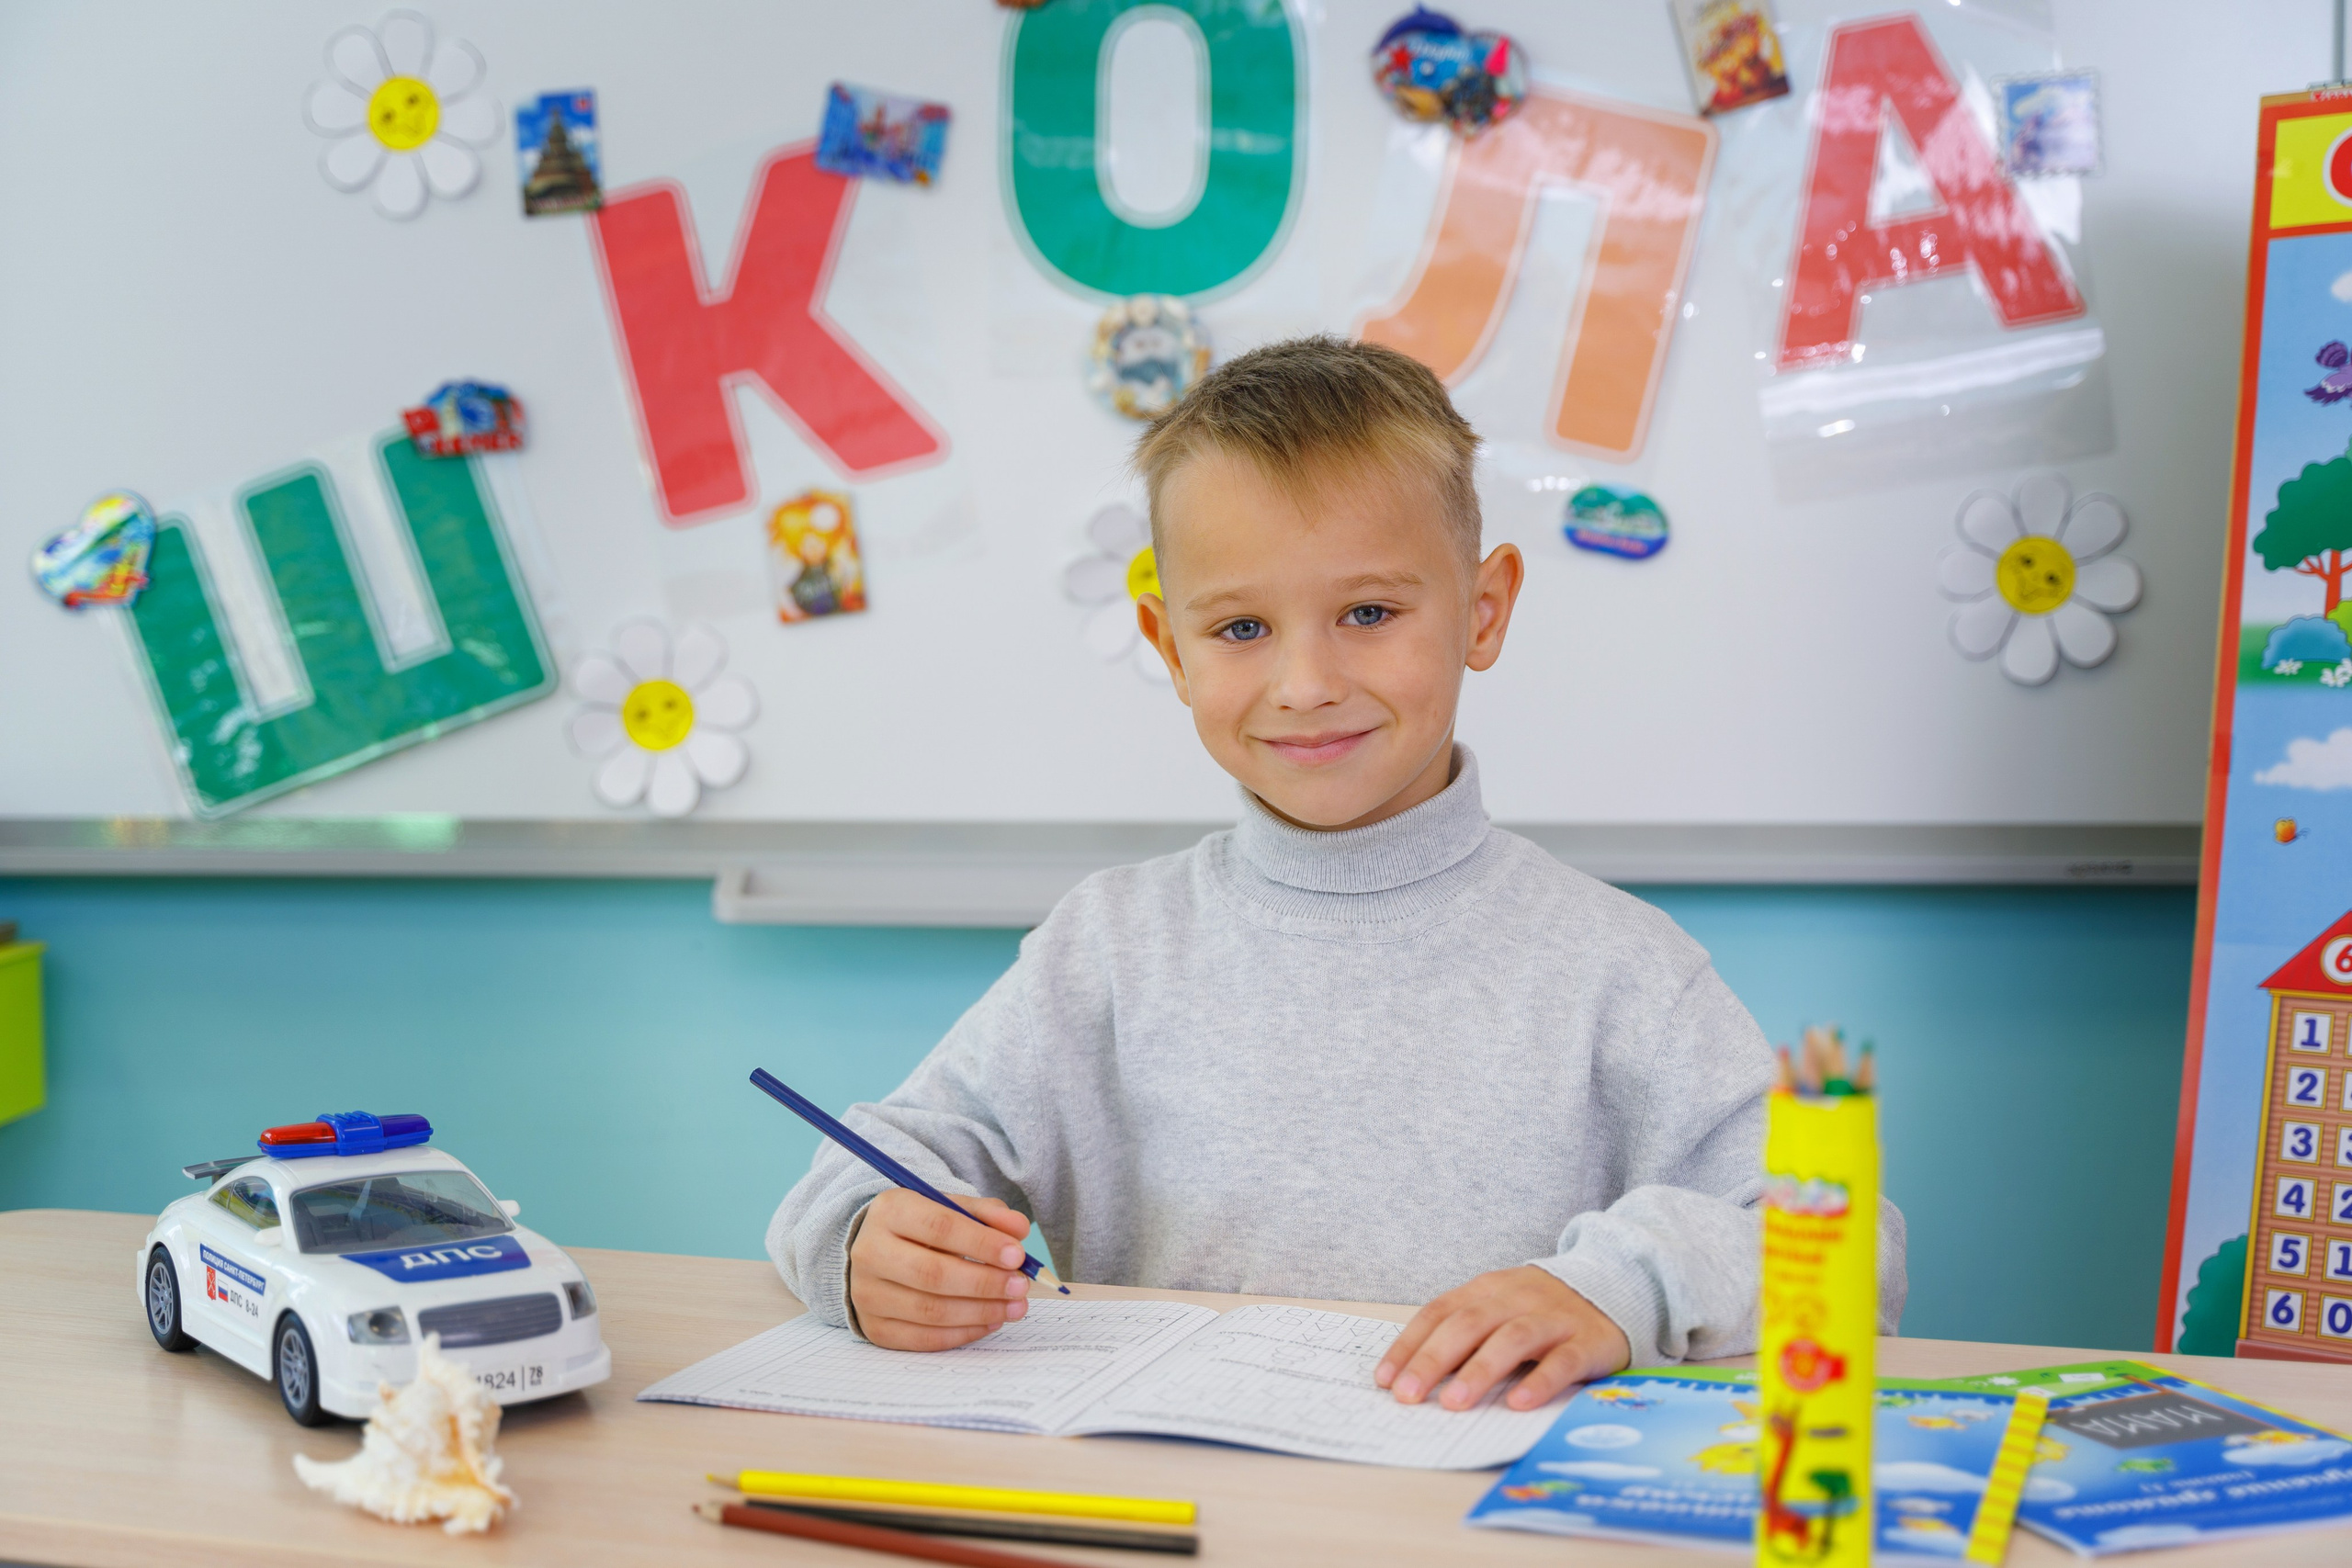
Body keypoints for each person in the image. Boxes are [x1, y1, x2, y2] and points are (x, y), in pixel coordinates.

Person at [767, 336, 1906, 1412]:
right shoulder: (1109, 946)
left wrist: (1620, 1290)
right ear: (1168, 647)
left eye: (1368, 612)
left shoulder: (1616, 965)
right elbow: (866, 1171)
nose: (1306, 681)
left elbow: (1849, 1246)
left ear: (1485, 608)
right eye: (1241, 629)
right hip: (1178, 1506)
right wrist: (862, 1245)